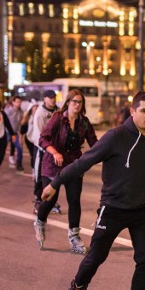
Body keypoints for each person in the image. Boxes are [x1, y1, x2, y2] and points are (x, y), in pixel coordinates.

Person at [45, 91, 145, 290]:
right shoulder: (115, 137)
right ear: (132, 111)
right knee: (95, 258)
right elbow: (84, 162)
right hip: (112, 209)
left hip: (143, 210)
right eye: (143, 111)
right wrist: (56, 183)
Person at [33, 89, 98, 254]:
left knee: (74, 200)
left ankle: (74, 237)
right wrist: (55, 152)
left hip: (73, 166)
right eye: (74, 101)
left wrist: (109, 152)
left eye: (80, 102)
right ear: (68, 102)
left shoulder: (84, 122)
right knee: (49, 199)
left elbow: (94, 143)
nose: (77, 104)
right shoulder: (57, 119)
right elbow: (43, 138)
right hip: (53, 165)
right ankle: (40, 222)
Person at [32, 90, 59, 213]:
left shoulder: (58, 111)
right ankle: (38, 199)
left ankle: (49, 200)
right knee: (40, 173)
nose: (53, 100)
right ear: (45, 99)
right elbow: (40, 133)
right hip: (42, 148)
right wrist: (47, 147)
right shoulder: (40, 113)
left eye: (54, 97)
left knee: (53, 174)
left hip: (54, 148)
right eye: (50, 97)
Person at [4, 96, 25, 172]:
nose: (19, 103)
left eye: (20, 102)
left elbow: (19, 124)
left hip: (14, 134)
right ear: (13, 102)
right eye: (17, 102)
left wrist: (20, 135)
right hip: (6, 132)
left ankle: (19, 164)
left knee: (20, 148)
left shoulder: (20, 112)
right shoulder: (8, 110)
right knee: (1, 149)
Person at [20, 101, 39, 172]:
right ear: (31, 108)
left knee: (37, 155)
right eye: (34, 106)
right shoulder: (28, 117)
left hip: (37, 139)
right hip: (29, 139)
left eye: (37, 106)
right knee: (33, 155)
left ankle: (35, 169)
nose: (36, 108)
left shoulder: (40, 116)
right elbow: (23, 128)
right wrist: (21, 138)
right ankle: (34, 169)